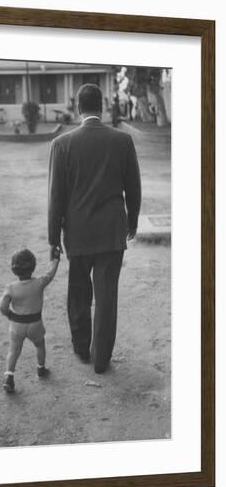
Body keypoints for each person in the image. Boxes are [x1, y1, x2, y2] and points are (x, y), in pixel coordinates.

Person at [48, 83, 141, 374]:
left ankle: (81, 348)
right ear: (101, 107)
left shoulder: (62, 144)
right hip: (112, 233)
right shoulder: (122, 141)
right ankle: (101, 359)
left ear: (78, 107)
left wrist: (53, 238)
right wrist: (133, 221)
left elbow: (56, 197)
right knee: (106, 298)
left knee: (78, 294)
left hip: (77, 234)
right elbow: (133, 188)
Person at [0, 248, 60, 392]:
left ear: (13, 269)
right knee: (40, 345)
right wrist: (55, 260)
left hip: (17, 325)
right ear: (33, 266)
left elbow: (2, 306)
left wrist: (9, 315)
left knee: (13, 350)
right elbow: (50, 274)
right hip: (35, 324)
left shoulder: (11, 288)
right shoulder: (39, 283)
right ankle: (41, 368)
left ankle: (9, 377)